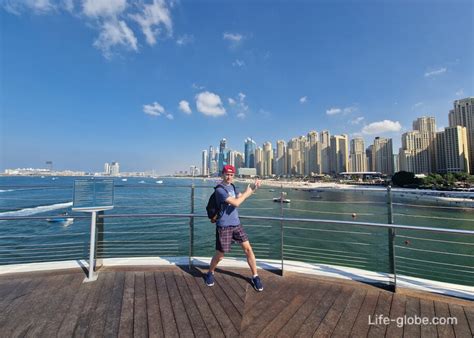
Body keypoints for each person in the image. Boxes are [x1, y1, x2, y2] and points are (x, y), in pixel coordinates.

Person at [205, 164, 263, 291]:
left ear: (233, 176)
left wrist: (253, 187)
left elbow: (241, 196)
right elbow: (236, 202)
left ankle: (255, 276)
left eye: (231, 174)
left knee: (248, 249)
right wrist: (247, 193)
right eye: (227, 174)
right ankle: (210, 273)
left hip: (236, 224)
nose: (229, 177)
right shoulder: (219, 190)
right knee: (220, 255)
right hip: (224, 226)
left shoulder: (232, 186)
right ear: (222, 174)